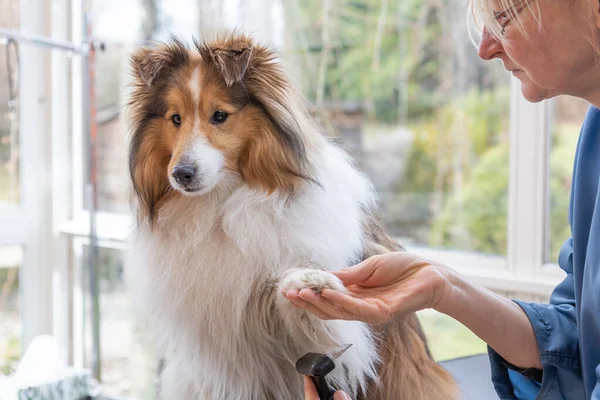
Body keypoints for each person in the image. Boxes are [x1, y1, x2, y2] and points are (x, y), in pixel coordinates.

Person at [285, 0, 600, 399]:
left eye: (504, 18)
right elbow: (578, 342)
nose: (486, 47)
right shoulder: (595, 136)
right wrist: (444, 287)